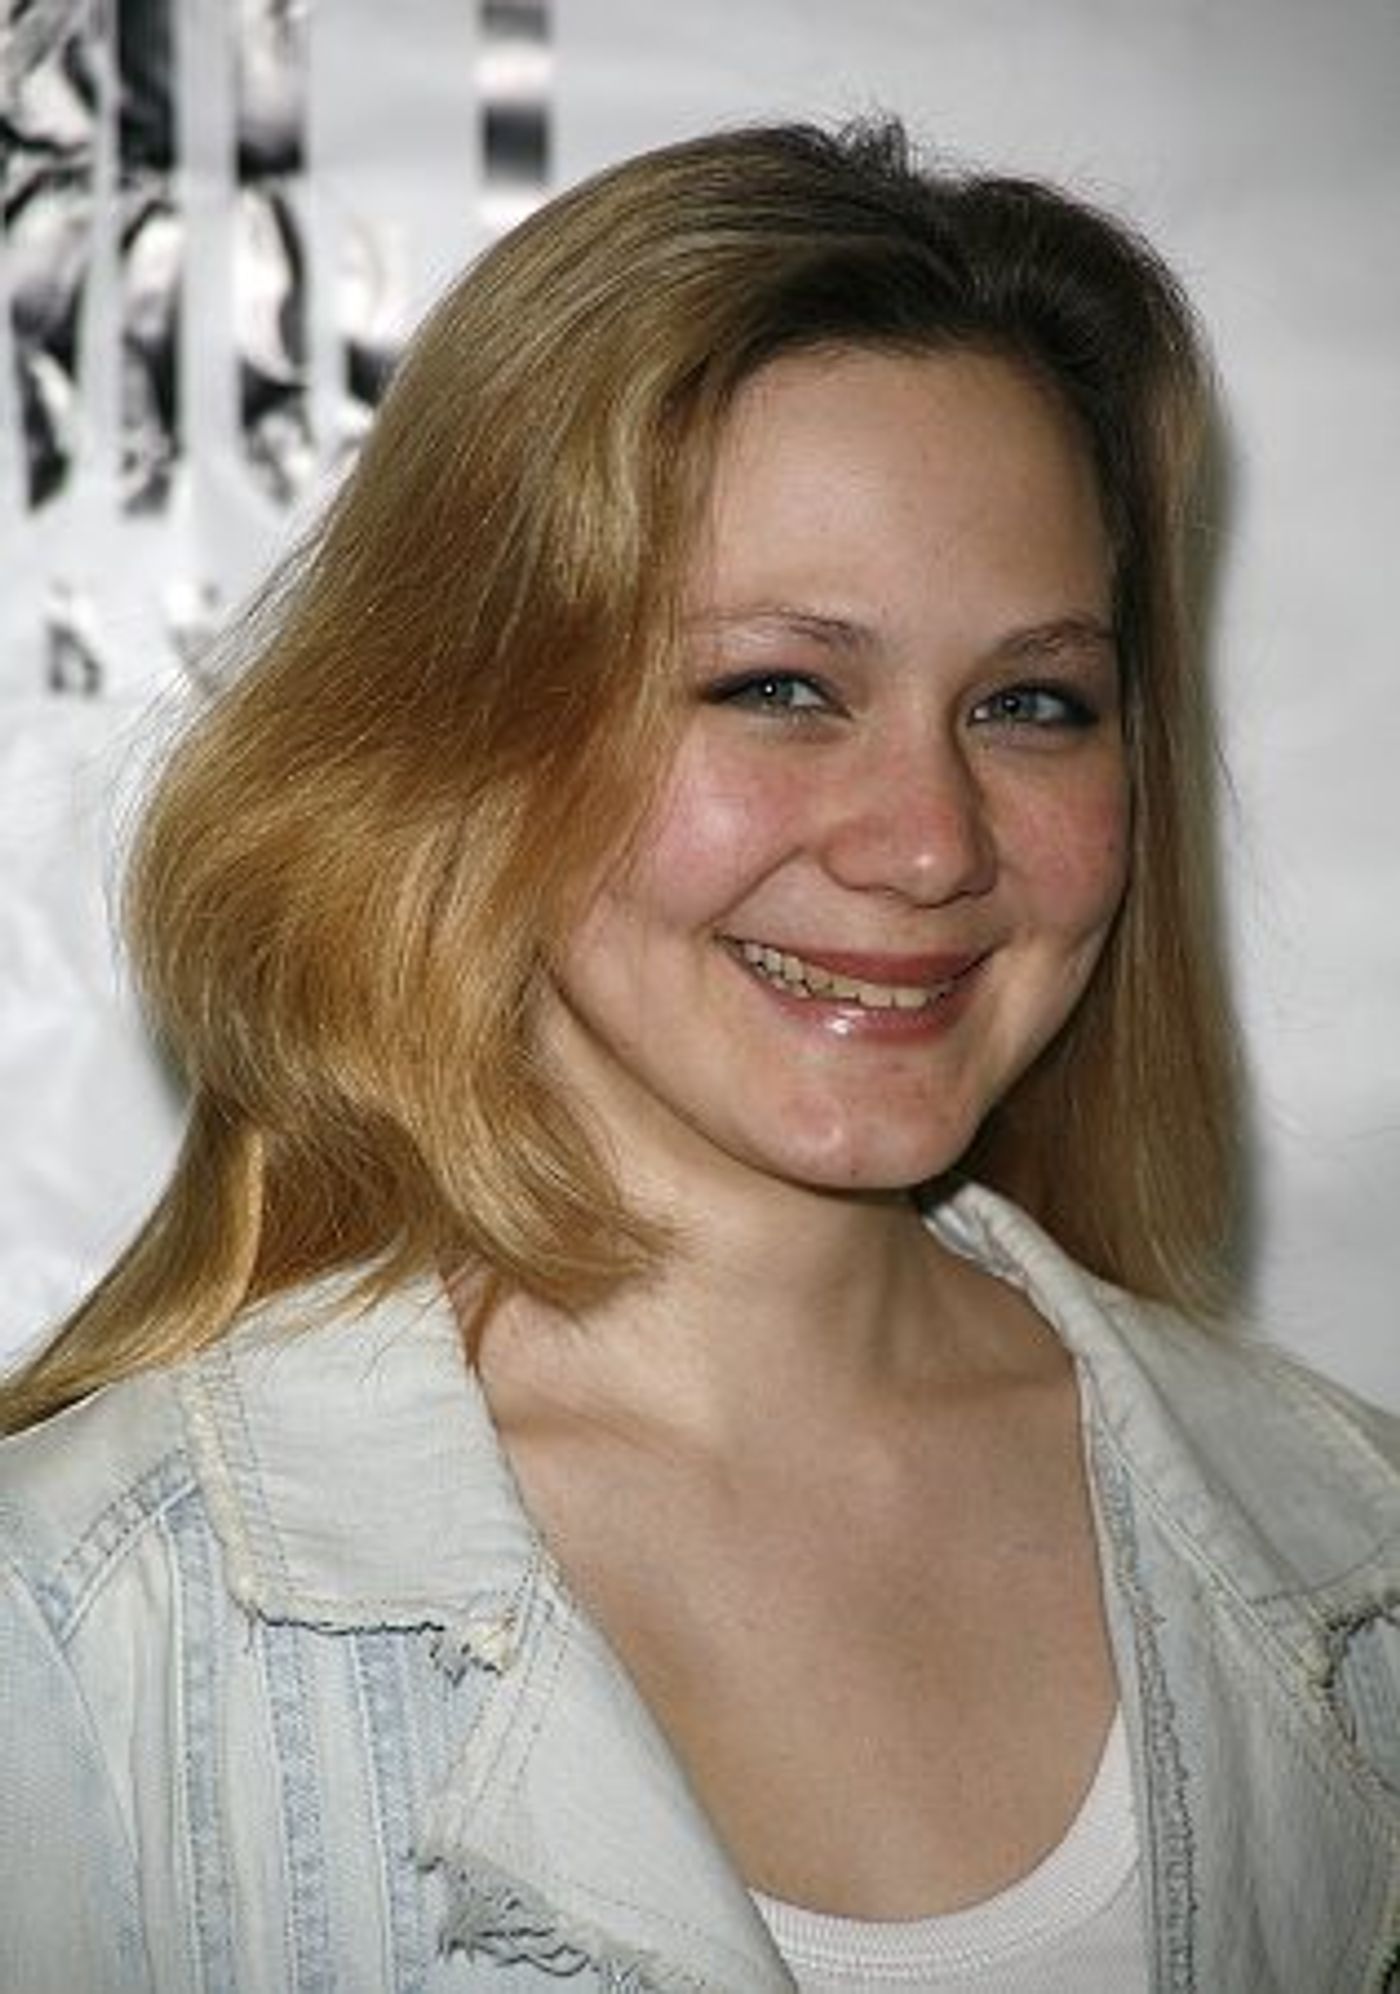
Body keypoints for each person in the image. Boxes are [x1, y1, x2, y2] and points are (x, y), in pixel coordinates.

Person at [1, 118, 1396, 1994]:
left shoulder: (1359, 1551)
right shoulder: (76, 1623)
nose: (931, 843)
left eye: (1030, 701)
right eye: (778, 687)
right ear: (471, 732)